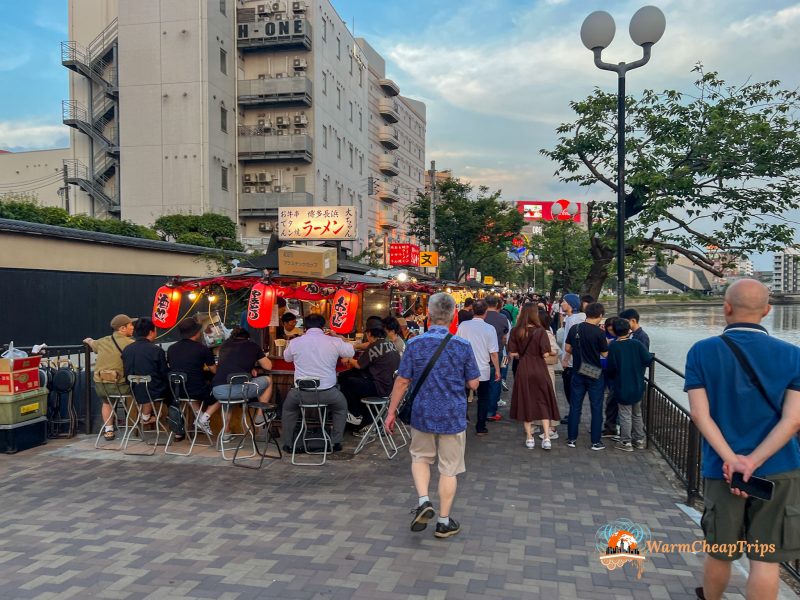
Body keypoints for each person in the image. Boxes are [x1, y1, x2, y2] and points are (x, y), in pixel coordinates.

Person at [685, 279, 800, 600]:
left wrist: (734, 460)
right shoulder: (794, 356)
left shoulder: (702, 352)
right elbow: (793, 421)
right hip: (780, 468)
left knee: (720, 551)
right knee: (766, 558)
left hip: (722, 469)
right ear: (767, 311)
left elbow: (699, 414)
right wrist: (755, 461)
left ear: (726, 307)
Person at [384, 293, 480, 539]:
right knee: (449, 468)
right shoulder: (462, 346)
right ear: (452, 316)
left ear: (428, 313)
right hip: (452, 414)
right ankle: (444, 522)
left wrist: (391, 412)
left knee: (420, 457)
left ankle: (424, 500)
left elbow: (403, 381)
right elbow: (473, 383)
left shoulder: (415, 344)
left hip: (422, 412)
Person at [281, 313, 353, 452]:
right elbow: (350, 352)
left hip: (300, 394)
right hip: (328, 393)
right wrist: (338, 336)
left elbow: (287, 358)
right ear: (323, 326)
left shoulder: (296, 342)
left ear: (305, 327)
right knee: (341, 407)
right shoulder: (334, 341)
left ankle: (288, 444)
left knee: (288, 408)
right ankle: (336, 442)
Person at [507, 306, 560, 449]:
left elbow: (512, 353)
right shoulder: (541, 331)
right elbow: (545, 354)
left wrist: (523, 355)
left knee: (526, 400)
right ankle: (547, 438)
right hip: (540, 368)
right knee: (543, 400)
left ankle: (529, 438)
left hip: (523, 368)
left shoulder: (516, 331)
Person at [212, 327, 272, 440]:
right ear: (247, 337)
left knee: (227, 400)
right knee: (268, 380)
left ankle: (226, 433)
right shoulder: (252, 346)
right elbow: (268, 366)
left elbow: (233, 363)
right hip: (238, 390)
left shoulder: (224, 345)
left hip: (218, 391)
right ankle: (260, 415)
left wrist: (250, 367)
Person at [564, 302, 608, 450]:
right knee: (596, 407)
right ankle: (595, 441)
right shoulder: (599, 333)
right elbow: (604, 353)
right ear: (600, 315)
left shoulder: (574, 328)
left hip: (577, 370)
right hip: (594, 372)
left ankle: (571, 439)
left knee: (575, 406)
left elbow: (568, 348)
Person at [84, 314, 135, 441]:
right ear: (122, 328)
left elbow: (92, 343)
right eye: (130, 325)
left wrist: (88, 340)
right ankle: (137, 425)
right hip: (121, 387)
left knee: (107, 402)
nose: (133, 327)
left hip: (101, 386)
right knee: (137, 392)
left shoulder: (102, 341)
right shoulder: (131, 343)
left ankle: (109, 430)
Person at [341, 326, 401, 434]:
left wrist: (349, 359)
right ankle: (363, 419)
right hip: (391, 387)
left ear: (369, 334)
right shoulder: (389, 343)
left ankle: (355, 415)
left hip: (380, 388)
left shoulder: (374, 346)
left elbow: (359, 365)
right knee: (352, 377)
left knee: (346, 381)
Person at [604, 318, 652, 452]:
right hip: (637, 383)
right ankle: (639, 439)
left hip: (622, 384)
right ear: (628, 330)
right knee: (637, 413)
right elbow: (648, 359)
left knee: (625, 414)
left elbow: (611, 368)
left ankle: (626, 441)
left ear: (614, 331)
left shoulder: (614, 346)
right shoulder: (636, 343)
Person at [455, 300, 500, 436]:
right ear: (485, 312)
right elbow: (493, 353)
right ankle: (480, 426)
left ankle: (461, 421)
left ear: (473, 311)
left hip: (464, 368)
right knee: (483, 398)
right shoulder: (489, 329)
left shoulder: (463, 326)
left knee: (462, 395)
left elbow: (456, 345)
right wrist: (497, 370)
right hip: (483, 369)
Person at [167, 317, 218, 437]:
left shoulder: (171, 348)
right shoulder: (202, 349)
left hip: (177, 391)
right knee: (222, 392)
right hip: (196, 391)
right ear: (196, 332)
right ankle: (203, 419)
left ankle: (200, 419)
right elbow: (214, 370)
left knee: (190, 392)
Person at [121, 317, 169, 426]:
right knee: (173, 390)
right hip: (153, 391)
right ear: (151, 332)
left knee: (146, 386)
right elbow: (164, 373)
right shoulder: (156, 350)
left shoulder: (127, 349)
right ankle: (173, 422)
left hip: (133, 389)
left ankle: (146, 416)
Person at [558, 293, 585, 425]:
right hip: (573, 361)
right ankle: (574, 413)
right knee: (571, 390)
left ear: (570, 305)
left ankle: (574, 414)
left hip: (571, 363)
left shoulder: (573, 320)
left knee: (570, 389)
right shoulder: (571, 318)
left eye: (564, 302)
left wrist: (565, 360)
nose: (562, 304)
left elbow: (572, 343)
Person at [483, 296, 510, 421]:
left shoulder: (480, 316)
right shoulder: (503, 318)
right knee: (495, 381)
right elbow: (505, 337)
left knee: (482, 381)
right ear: (497, 304)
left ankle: (481, 410)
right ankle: (491, 411)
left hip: (480, 352)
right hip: (497, 352)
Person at [601, 317, 620, 439]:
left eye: (613, 330)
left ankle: (613, 427)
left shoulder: (618, 340)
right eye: (609, 329)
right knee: (604, 399)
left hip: (614, 373)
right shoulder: (603, 336)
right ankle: (609, 427)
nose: (611, 332)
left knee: (613, 400)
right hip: (601, 370)